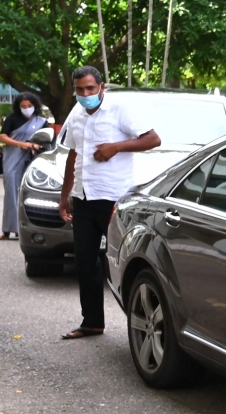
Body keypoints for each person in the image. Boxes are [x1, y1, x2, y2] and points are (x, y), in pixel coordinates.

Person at [58, 66, 161, 340]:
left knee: (122, 262)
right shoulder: (76, 114)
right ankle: (92, 322)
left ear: (101, 87)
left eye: (90, 88)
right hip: (83, 198)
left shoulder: (119, 110)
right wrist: (65, 195)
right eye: (80, 89)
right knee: (85, 262)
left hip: (114, 199)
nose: (85, 94)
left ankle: (141, 324)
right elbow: (72, 156)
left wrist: (116, 147)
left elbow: (153, 139)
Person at [1, 92, 51, 240]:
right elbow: (3, 136)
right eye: (23, 106)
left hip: (33, 158)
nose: (26, 108)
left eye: (29, 106)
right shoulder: (12, 118)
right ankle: (8, 229)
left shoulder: (41, 121)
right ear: (18, 107)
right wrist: (21, 144)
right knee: (11, 191)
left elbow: (47, 139)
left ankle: (28, 229)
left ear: (34, 105)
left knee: (31, 192)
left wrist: (36, 145)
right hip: (13, 157)